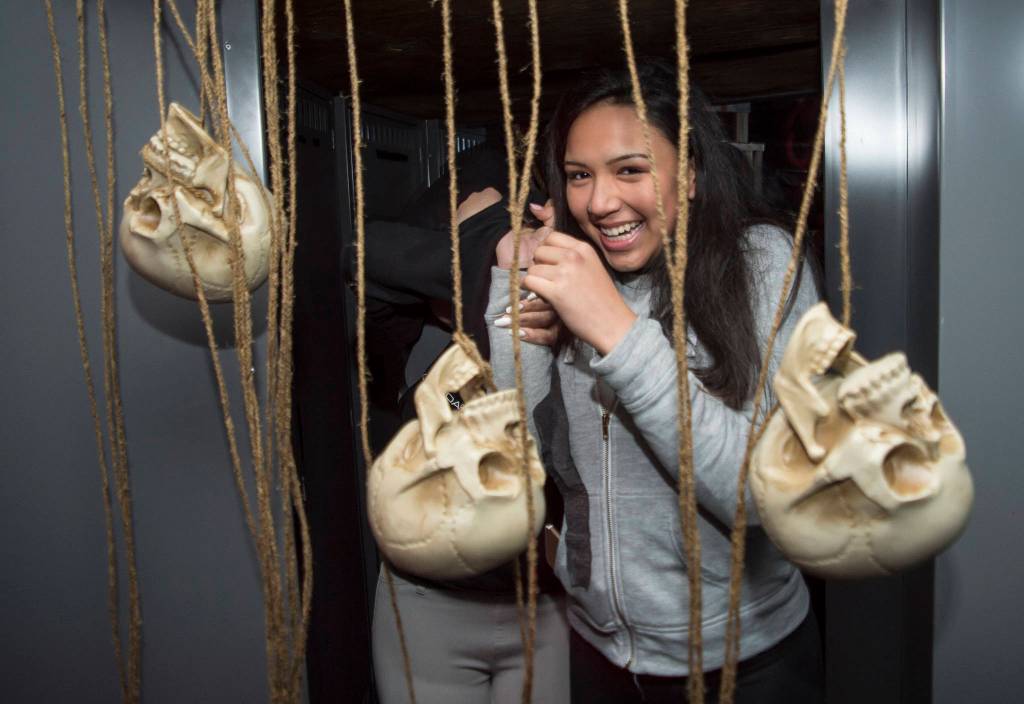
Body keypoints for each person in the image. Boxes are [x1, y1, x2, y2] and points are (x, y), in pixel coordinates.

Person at [485, 62, 825, 703]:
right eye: (580, 176)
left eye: (630, 170)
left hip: (743, 662)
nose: (599, 201)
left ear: (690, 175)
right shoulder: (581, 267)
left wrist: (616, 332)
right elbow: (511, 451)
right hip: (600, 651)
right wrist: (513, 296)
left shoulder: (762, 263)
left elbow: (774, 500)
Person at [352, 142, 570, 704]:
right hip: (432, 609)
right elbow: (369, 253)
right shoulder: (437, 373)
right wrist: (483, 243)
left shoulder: (571, 352)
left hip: (545, 608)